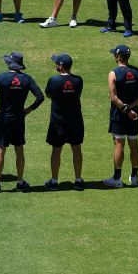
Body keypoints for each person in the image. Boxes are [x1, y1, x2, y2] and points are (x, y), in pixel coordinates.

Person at [0, 52, 44, 192]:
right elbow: (40, 97)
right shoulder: (27, 79)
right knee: (19, 150)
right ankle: (20, 181)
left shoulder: (1, 77)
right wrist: (28, 110)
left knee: (0, 150)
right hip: (18, 119)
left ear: (10, 64)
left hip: (3, 118)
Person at [103, 45, 138, 188]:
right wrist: (132, 107)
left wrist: (126, 109)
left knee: (119, 143)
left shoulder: (113, 73)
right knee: (134, 143)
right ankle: (134, 177)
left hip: (119, 114)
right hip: (134, 114)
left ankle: (117, 178)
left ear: (118, 57)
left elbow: (113, 97)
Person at [43, 53, 85, 191]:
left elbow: (48, 94)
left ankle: (54, 182)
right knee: (77, 149)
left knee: (56, 150)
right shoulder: (78, 81)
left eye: (56, 63)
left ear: (60, 66)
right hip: (75, 121)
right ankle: (78, 181)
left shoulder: (53, 80)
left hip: (58, 123)